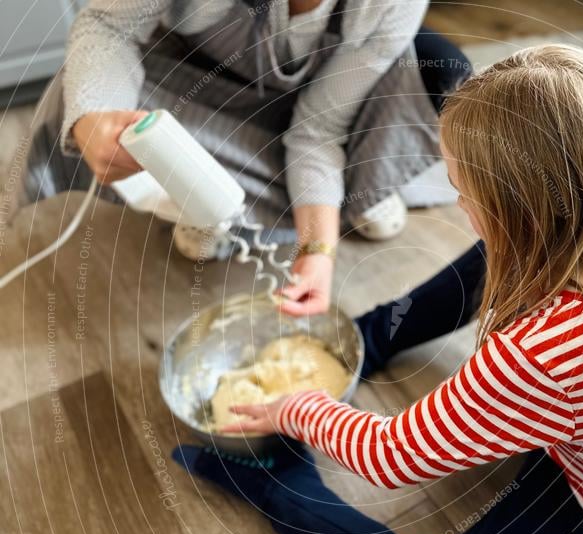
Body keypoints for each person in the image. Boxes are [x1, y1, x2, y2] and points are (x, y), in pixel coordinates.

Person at [172, 45, 583, 534]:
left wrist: (297, 408)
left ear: (520, 209)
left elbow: (390, 458)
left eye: (464, 192)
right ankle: (370, 337)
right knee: (496, 257)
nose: (457, 203)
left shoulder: (539, 357)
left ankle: (278, 481)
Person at [5, 0, 471, 315]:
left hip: (316, 102)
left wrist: (317, 251)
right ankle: (203, 200)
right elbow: (107, 24)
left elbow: (317, 130)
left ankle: (361, 189)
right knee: (78, 96)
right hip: (195, 82)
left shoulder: (388, 7)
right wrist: (94, 118)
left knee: (439, 70)